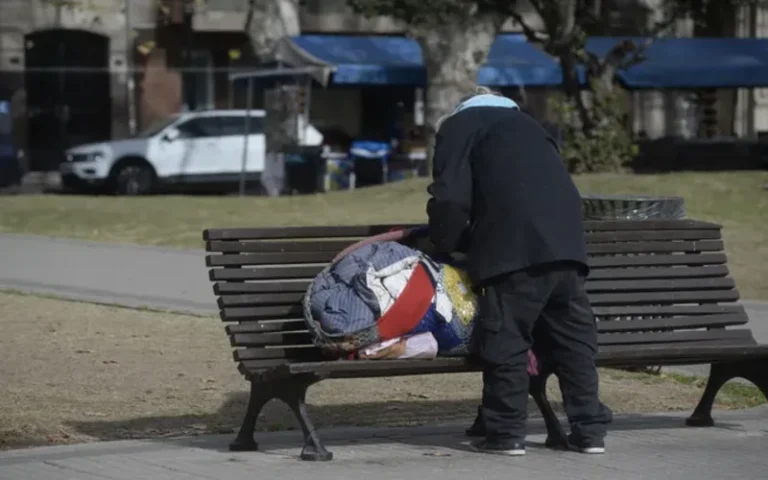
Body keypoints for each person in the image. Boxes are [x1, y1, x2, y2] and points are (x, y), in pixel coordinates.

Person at [426, 86, 612, 457]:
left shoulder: (460, 126)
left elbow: (449, 197)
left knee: (506, 339)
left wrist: (445, 242)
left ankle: (506, 433)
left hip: (513, 249)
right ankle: (589, 431)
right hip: (566, 246)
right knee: (573, 341)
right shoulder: (530, 126)